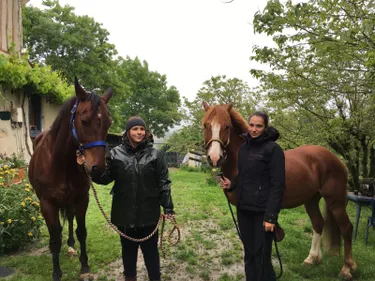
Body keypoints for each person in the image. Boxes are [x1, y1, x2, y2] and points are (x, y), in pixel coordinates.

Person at [91, 116, 175, 281]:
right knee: (128, 254)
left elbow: (163, 182)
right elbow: (105, 178)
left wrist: (168, 207)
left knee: (151, 253)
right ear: (128, 132)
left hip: (149, 214)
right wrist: (90, 171)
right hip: (124, 215)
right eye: (135, 129)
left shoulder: (156, 154)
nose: (139, 132)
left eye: (142, 129)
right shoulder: (115, 153)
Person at [220, 111, 285, 281]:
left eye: (259, 126)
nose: (254, 129)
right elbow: (243, 175)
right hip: (244, 209)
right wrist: (231, 184)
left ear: (265, 127)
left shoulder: (273, 150)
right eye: (252, 125)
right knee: (249, 253)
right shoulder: (244, 148)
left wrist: (271, 217)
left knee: (262, 256)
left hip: (262, 213)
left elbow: (277, 185)